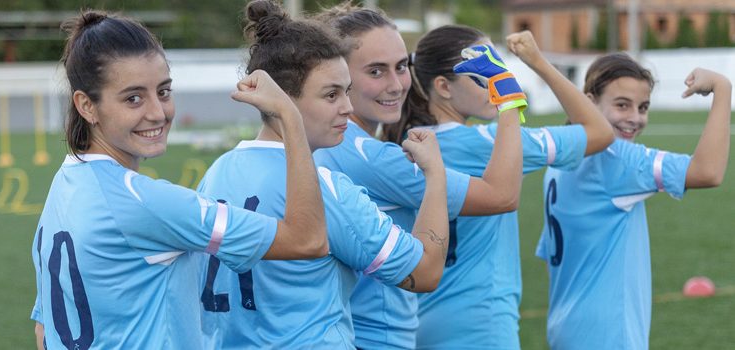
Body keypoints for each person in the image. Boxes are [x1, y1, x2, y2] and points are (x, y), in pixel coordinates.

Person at [30, 9, 328, 349]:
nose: (157, 112)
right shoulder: (147, 203)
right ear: (86, 106)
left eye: (164, 91)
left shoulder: (64, 184)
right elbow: (308, 240)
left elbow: (44, 332)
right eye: (133, 98)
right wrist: (290, 116)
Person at [196, 1, 452, 348]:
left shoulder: (216, 172)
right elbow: (424, 272)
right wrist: (434, 175)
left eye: (346, 91)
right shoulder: (322, 189)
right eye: (331, 94)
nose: (347, 107)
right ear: (280, 100)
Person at [380, 26, 614, 349]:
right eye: (483, 75)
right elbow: (600, 131)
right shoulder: (489, 140)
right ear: (444, 87)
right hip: (483, 323)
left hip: (421, 322)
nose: (495, 84)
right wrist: (538, 62)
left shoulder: (404, 146)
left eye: (498, 70)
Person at [314, 4, 525, 348]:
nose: (397, 84)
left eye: (401, 67)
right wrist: (508, 98)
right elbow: (502, 196)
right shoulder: (374, 158)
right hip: (376, 338)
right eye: (376, 71)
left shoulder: (329, 141)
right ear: (338, 74)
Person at [536, 52, 731, 349]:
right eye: (622, 105)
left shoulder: (559, 160)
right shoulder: (614, 159)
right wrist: (722, 87)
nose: (635, 118)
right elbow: (707, 171)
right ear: (588, 102)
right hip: (607, 336)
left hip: (567, 328)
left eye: (643, 107)